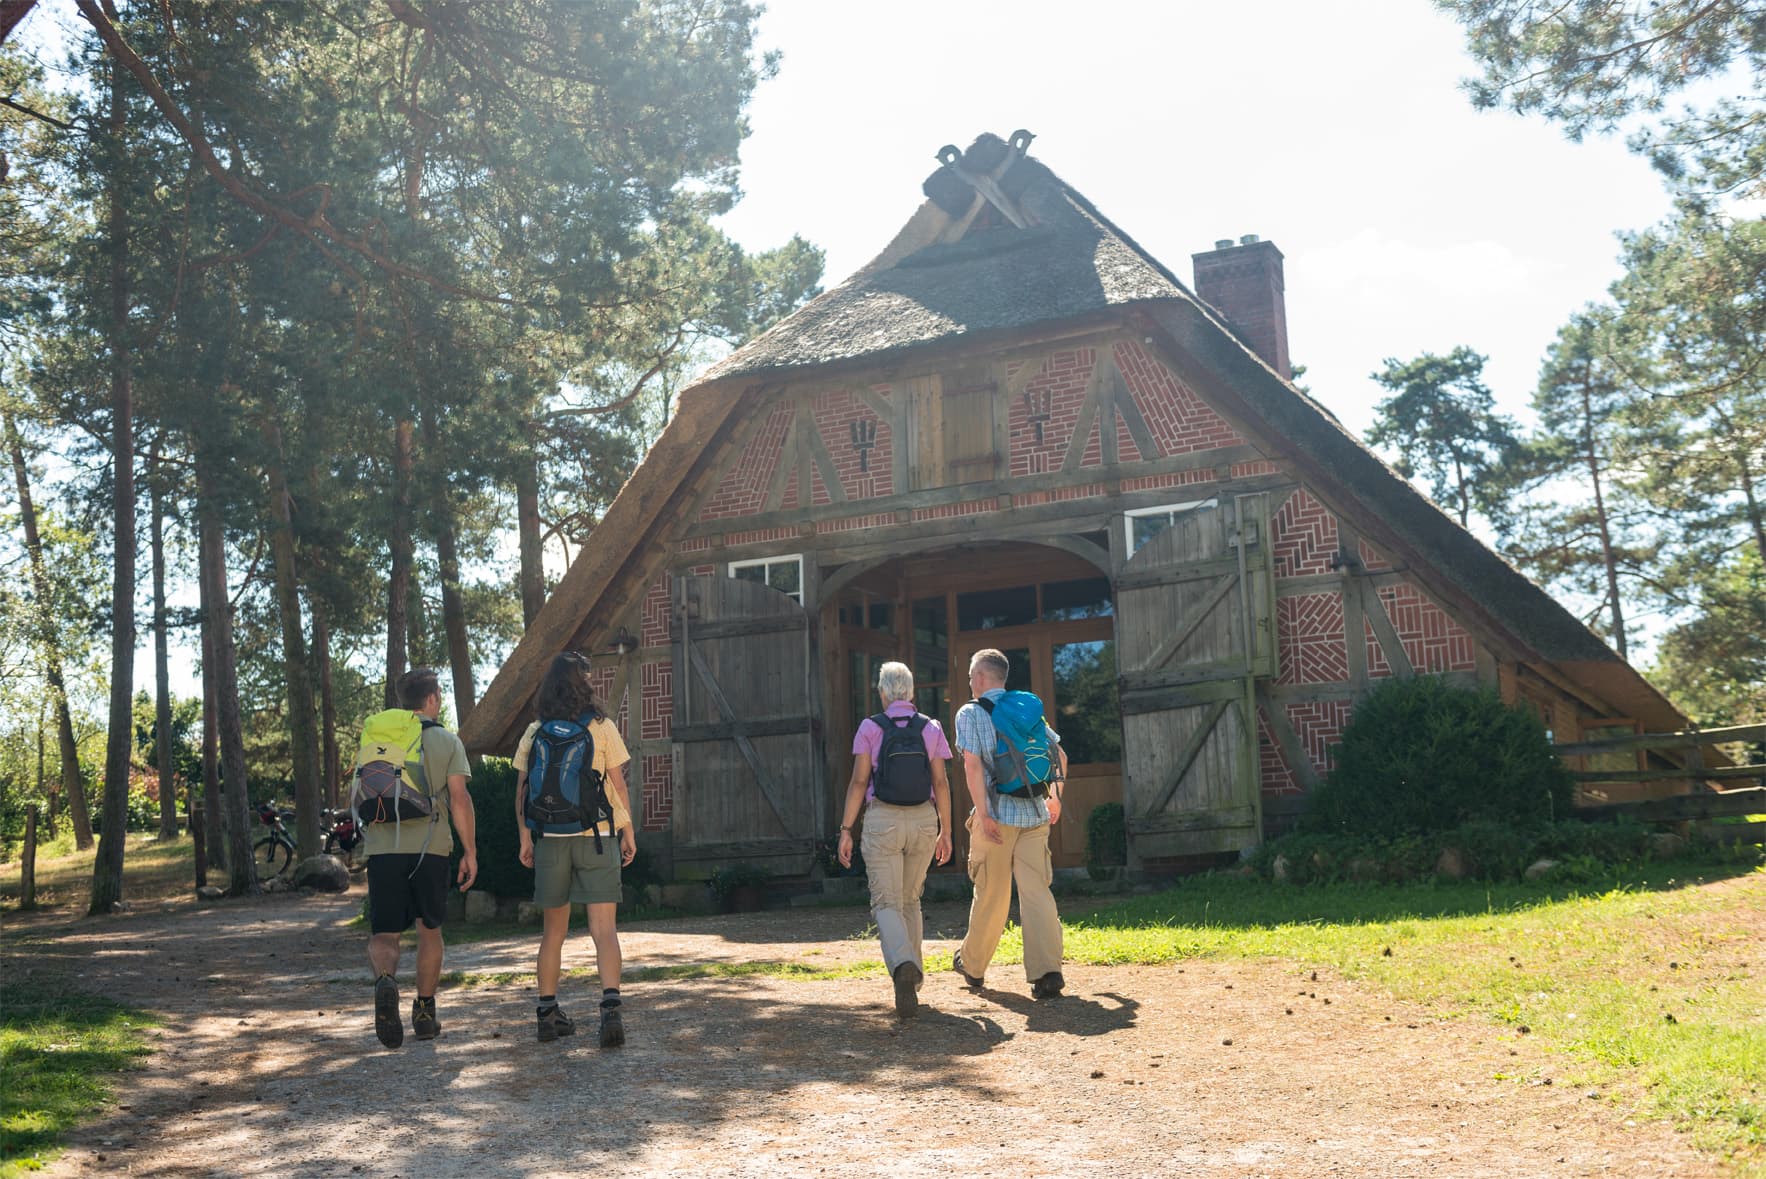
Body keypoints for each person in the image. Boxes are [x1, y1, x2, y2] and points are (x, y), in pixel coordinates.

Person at [515, 652, 637, 1047]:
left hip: (551, 840)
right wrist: (627, 829)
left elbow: (522, 790)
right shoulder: (601, 727)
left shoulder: (535, 731)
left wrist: (524, 836)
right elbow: (617, 785)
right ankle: (611, 1012)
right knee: (604, 929)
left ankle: (548, 1014)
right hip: (597, 836)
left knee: (554, 932)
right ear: (583, 683)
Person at [364, 668, 477, 1048]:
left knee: (385, 933)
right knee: (430, 932)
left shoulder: (379, 739)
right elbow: (459, 799)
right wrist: (470, 851)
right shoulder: (447, 740)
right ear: (432, 699)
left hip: (383, 847)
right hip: (430, 847)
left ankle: (385, 981)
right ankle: (425, 1013)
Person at [836, 661, 954, 1018]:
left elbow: (859, 782)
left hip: (883, 819)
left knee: (886, 902)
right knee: (910, 900)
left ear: (883, 692)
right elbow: (941, 782)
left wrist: (846, 829)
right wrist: (946, 830)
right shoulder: (930, 727)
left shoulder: (870, 728)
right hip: (923, 820)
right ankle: (913, 977)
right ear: (912, 692)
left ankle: (903, 964)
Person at [951, 648, 1069, 999]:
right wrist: (1056, 798)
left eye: (972, 675)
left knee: (992, 894)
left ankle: (972, 967)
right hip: (1034, 813)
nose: (970, 681)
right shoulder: (1027, 707)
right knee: (1037, 892)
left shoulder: (970, 713)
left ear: (981, 678)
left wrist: (983, 815)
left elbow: (972, 766)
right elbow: (1060, 755)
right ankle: (1048, 972)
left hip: (998, 817)